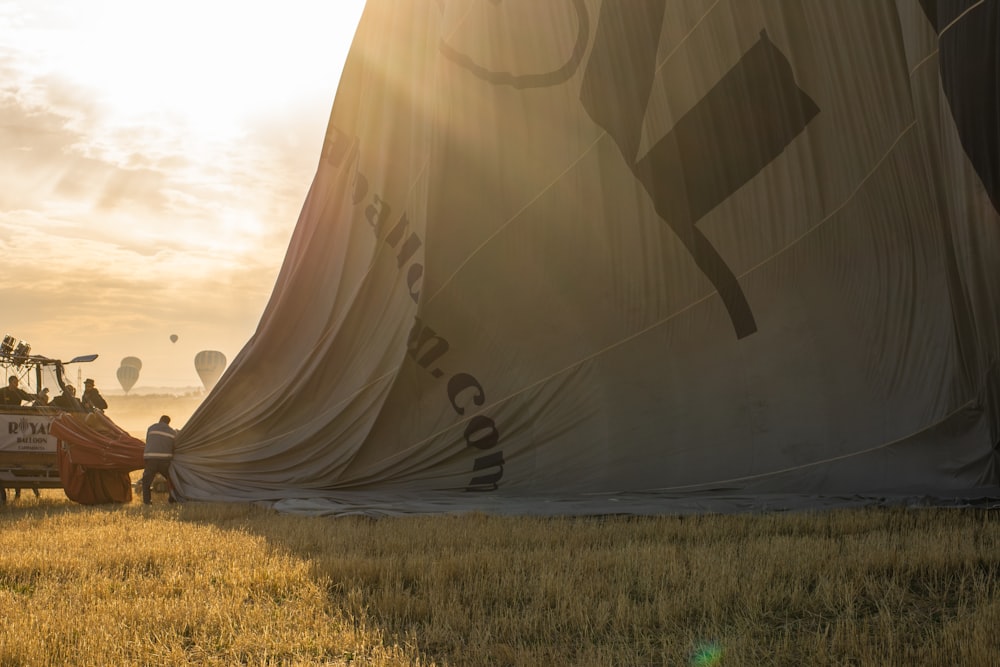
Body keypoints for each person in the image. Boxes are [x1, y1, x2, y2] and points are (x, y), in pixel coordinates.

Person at [142, 415, 177, 505]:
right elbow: (174, 447)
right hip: (165, 460)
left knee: (146, 482)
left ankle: (147, 502)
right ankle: (172, 499)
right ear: (168, 423)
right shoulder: (172, 432)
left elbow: (148, 441)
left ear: (160, 420)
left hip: (151, 459)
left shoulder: (151, 428)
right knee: (171, 480)